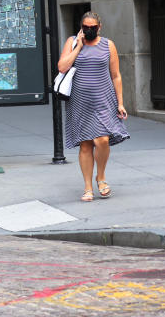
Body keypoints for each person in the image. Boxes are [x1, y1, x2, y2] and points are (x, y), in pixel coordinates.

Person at [57, 11, 129, 202]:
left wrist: (120, 103)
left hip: (104, 100)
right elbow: (62, 67)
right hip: (80, 102)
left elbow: (116, 75)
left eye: (93, 27)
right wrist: (78, 47)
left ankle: (101, 176)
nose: (89, 30)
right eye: (85, 27)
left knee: (102, 140)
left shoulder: (108, 45)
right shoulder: (72, 42)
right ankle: (88, 188)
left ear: (100, 27)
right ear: (81, 27)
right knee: (86, 144)